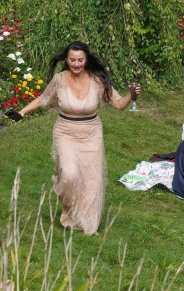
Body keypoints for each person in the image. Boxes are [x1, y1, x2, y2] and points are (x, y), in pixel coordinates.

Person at [17, 42, 141, 235]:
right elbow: (43, 99)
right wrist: (22, 112)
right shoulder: (59, 79)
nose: (76, 64)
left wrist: (130, 95)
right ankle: (70, 212)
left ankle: (85, 221)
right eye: (72, 60)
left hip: (91, 133)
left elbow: (118, 103)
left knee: (92, 180)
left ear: (86, 60)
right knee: (69, 175)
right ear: (67, 60)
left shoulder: (97, 80)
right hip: (65, 132)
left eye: (80, 60)